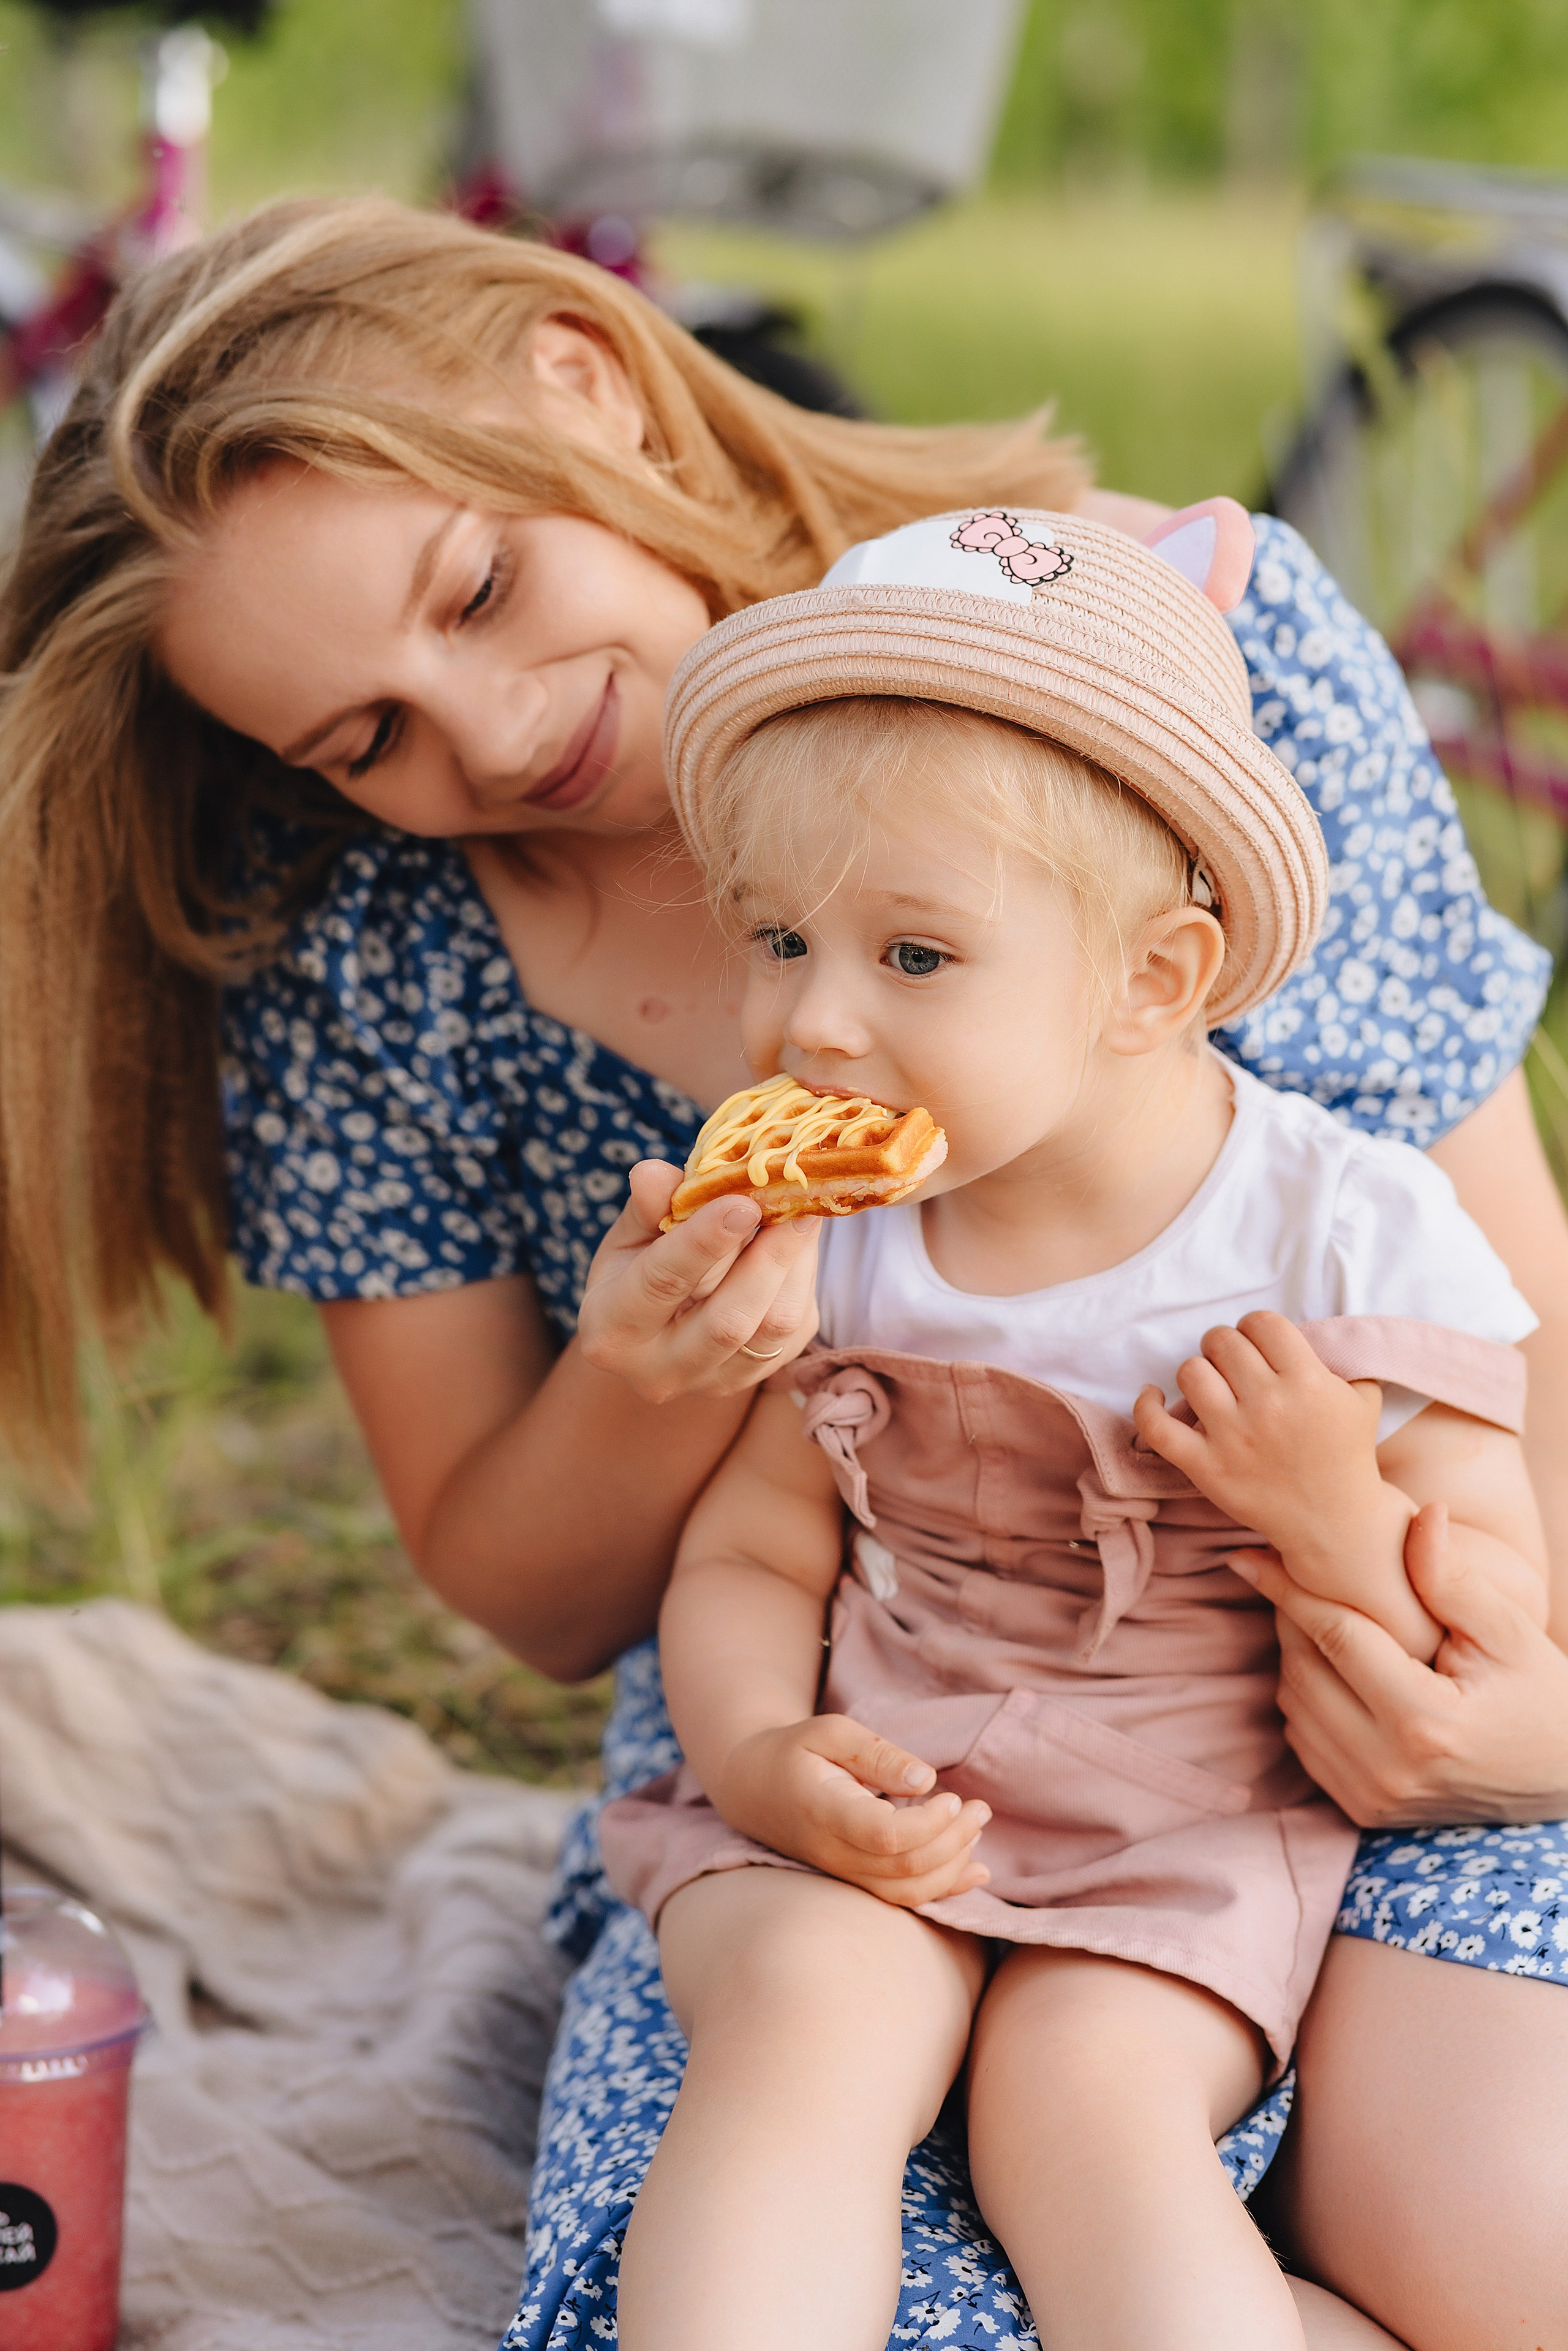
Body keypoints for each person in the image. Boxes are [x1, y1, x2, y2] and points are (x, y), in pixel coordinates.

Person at [0, 194, 1563, 2349]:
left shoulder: (1158, 650)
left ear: (590, 379)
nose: (486, 726)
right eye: (362, 740)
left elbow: (1510, 1312)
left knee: (1509, 2260)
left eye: (479, 588)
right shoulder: (372, 973)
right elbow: (547, 1595)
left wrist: (1521, 1708)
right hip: (860, 1725)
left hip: (1335, 1688)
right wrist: (652, 1373)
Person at [593, 504, 1547, 2351]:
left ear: (1154, 983)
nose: (816, 1024)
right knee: (804, 2017)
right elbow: (759, 1545)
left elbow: (1485, 1598)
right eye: (780, 939)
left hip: (1184, 1822)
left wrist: (1330, 1508)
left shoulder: (1340, 1231)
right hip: (886, 1781)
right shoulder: (836, 1235)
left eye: (916, 956)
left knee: (1086, 2105)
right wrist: (767, 1747)